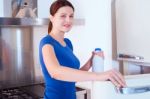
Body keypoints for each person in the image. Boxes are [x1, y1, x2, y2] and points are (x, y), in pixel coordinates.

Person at [39, 0, 126, 99]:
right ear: (52, 18)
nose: (68, 20)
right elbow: (56, 72)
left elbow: (73, 76)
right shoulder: (46, 42)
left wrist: (91, 61)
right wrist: (100, 75)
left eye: (71, 16)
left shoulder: (68, 43)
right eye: (63, 16)